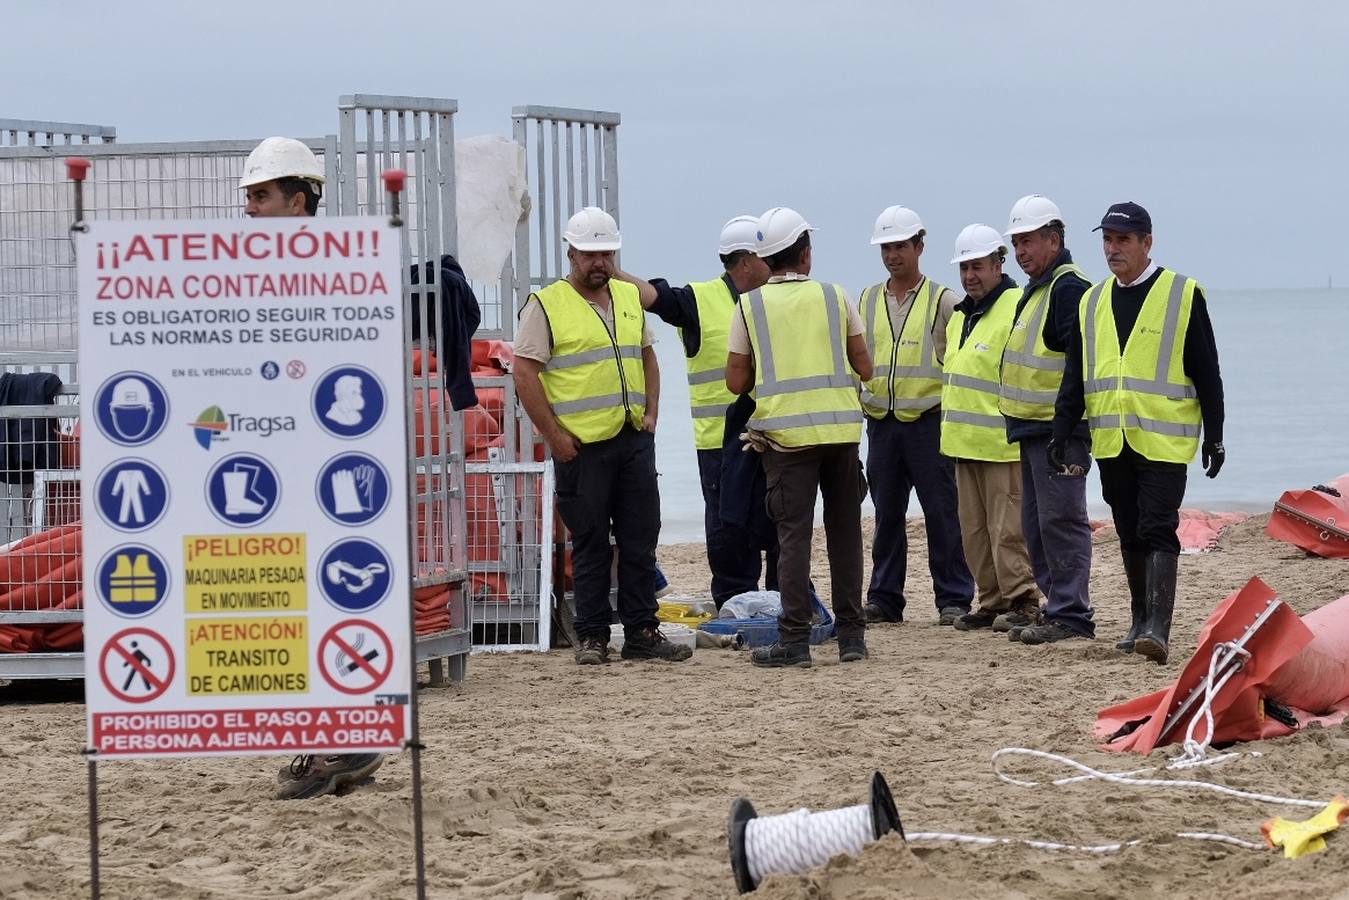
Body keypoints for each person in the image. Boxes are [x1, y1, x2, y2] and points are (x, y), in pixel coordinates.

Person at [241, 136, 385, 800]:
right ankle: (338, 737)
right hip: (289, 468)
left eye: (262, 196)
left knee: (328, 598)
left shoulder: (332, 277)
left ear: (299, 202)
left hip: (325, 473)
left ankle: (344, 741)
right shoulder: (267, 278)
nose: (251, 209)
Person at [512, 206, 692, 666]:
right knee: (590, 542)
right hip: (581, 447)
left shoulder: (629, 297)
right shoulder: (546, 305)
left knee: (639, 539)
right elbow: (525, 373)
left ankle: (641, 631)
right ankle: (592, 635)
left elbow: (648, 355)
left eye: (606, 252)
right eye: (589, 252)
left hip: (632, 438)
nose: (599, 261)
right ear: (570, 252)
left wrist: (652, 413)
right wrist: (554, 437)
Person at [1051, 202, 1225, 664]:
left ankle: (1158, 628)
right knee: (1128, 528)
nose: (1113, 248)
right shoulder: (1091, 302)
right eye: (1107, 239)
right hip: (1112, 438)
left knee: (1157, 526)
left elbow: (1207, 372)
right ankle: (1137, 619)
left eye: (1123, 240)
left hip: (1164, 440)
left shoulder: (1182, 293)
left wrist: (1216, 435)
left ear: (1147, 243)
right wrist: (1061, 431)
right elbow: (1076, 376)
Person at [725, 207, 873, 667]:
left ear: (766, 258)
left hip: (786, 439)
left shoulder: (749, 305)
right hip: (841, 432)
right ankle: (852, 637)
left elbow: (735, 381)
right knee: (845, 533)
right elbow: (865, 366)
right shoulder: (835, 296)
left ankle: (794, 640)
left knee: (793, 538)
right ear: (806, 254)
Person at [615, 217, 777, 607]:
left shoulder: (778, 298)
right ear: (747, 262)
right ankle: (736, 602)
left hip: (776, 436)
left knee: (778, 526)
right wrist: (611, 268)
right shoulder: (700, 300)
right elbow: (654, 297)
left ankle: (783, 602)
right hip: (721, 445)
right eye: (768, 257)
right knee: (728, 531)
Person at [857, 206, 974, 626]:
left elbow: (962, 362)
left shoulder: (944, 301)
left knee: (942, 513)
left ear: (919, 246)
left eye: (900, 246)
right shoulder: (868, 300)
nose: (892, 255)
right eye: (886, 247)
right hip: (882, 425)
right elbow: (857, 361)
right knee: (887, 516)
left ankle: (954, 597)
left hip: (928, 423)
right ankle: (885, 599)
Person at [998, 195, 1096, 644]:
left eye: (1028, 241)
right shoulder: (1038, 290)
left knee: (1061, 521)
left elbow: (1077, 366)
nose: (1020, 252)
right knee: (1038, 524)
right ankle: (1057, 606)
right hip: (1033, 428)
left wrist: (1063, 427)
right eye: (1015, 243)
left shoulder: (1067, 288)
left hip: (1058, 431)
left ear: (1054, 240)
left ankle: (1072, 614)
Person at [941, 225, 1042, 633]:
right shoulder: (960, 316)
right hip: (963, 444)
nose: (969, 276)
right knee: (974, 532)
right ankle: (991, 599)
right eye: (964, 268)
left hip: (1001, 444)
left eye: (978, 266)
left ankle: (1023, 600)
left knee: (1008, 531)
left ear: (999, 263)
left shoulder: (1016, 307)